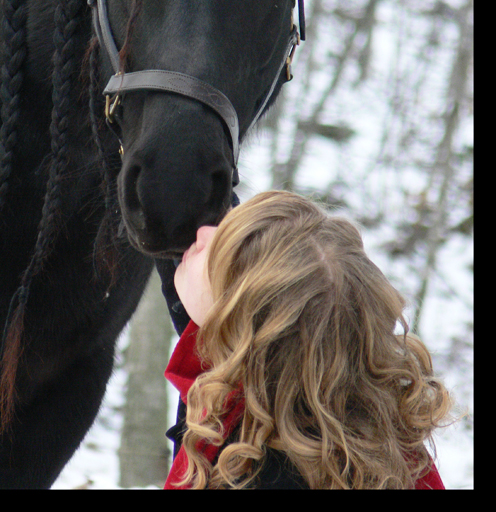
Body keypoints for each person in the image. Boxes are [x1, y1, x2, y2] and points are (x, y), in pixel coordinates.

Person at [164, 190, 453, 490]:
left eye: (218, 260)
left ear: (250, 342)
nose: (202, 232)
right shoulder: (359, 420)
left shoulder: (256, 475)